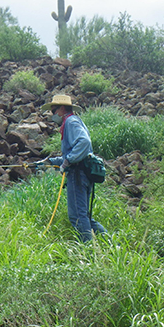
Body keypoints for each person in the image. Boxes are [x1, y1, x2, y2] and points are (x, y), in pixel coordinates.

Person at [39, 94, 107, 242]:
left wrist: (67, 162)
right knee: (84, 216)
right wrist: (50, 162)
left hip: (78, 174)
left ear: (62, 109)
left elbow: (83, 142)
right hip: (83, 173)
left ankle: (88, 252)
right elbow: (73, 151)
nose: (52, 115)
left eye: (53, 110)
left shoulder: (70, 121)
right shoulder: (74, 121)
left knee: (77, 216)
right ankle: (111, 245)